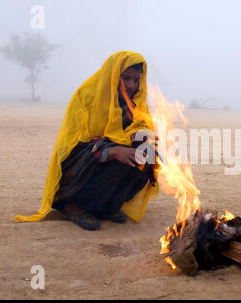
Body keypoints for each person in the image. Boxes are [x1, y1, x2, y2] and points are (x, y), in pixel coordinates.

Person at [13, 51, 160, 230]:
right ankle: (71, 205)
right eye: (126, 78)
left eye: (136, 80)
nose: (132, 85)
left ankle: (108, 206)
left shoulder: (134, 103)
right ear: (113, 75)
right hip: (77, 163)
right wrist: (114, 151)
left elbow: (135, 129)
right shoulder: (86, 96)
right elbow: (74, 146)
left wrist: (143, 138)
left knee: (147, 153)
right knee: (119, 154)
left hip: (103, 154)